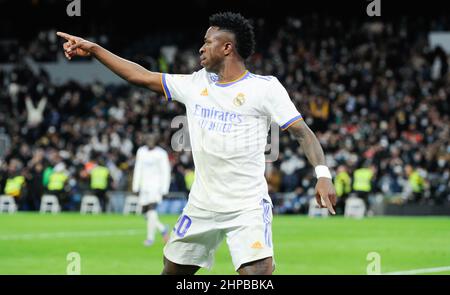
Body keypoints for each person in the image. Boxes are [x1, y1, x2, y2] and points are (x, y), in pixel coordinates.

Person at [57, 11, 336, 275]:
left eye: (207, 42)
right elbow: (139, 76)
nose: (201, 48)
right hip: (202, 204)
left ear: (227, 48)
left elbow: (303, 132)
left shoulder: (264, 88)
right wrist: (94, 50)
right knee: (172, 271)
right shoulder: (195, 84)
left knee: (257, 273)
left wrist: (322, 175)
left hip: (247, 206)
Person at [132, 133, 171, 246]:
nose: (149, 141)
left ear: (156, 140)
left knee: (152, 209)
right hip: (144, 186)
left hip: (156, 186)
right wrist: (136, 186)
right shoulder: (141, 151)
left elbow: (165, 171)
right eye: (148, 138)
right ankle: (163, 229)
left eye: (152, 139)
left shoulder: (161, 153)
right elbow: (138, 168)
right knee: (145, 213)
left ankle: (150, 238)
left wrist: (164, 189)